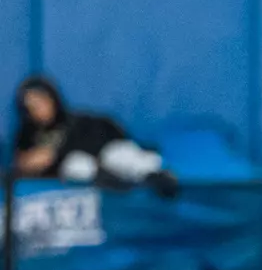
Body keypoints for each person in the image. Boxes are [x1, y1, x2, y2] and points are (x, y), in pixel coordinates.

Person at [11, 76, 178, 197]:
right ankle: (113, 184)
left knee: (118, 154)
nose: (38, 110)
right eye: (31, 107)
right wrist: (31, 164)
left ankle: (157, 178)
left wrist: (55, 154)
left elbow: (109, 138)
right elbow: (22, 165)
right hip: (88, 184)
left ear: (52, 99)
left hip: (113, 161)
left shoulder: (78, 122)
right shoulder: (27, 136)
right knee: (76, 165)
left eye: (40, 102)